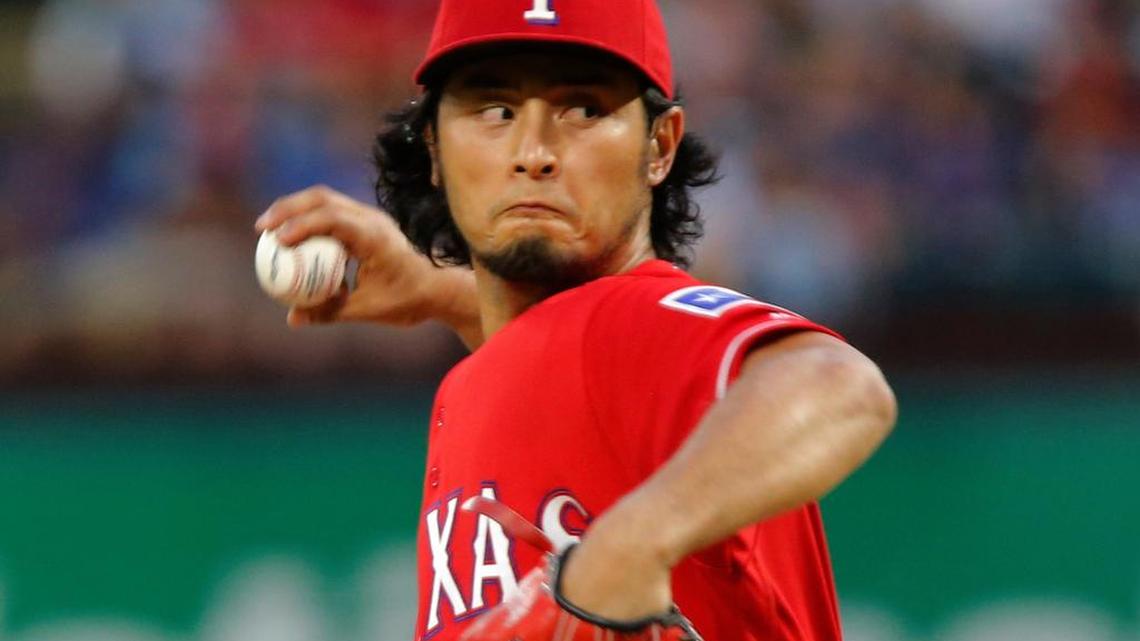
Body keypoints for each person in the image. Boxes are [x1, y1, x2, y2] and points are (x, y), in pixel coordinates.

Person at [255, 0, 897, 639]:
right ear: (433, 148)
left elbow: (840, 385)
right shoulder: (516, 362)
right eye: (495, 111)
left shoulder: (633, 315)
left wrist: (631, 544)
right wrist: (441, 292)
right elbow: (558, 367)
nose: (533, 152)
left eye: (583, 109)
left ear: (660, 146)